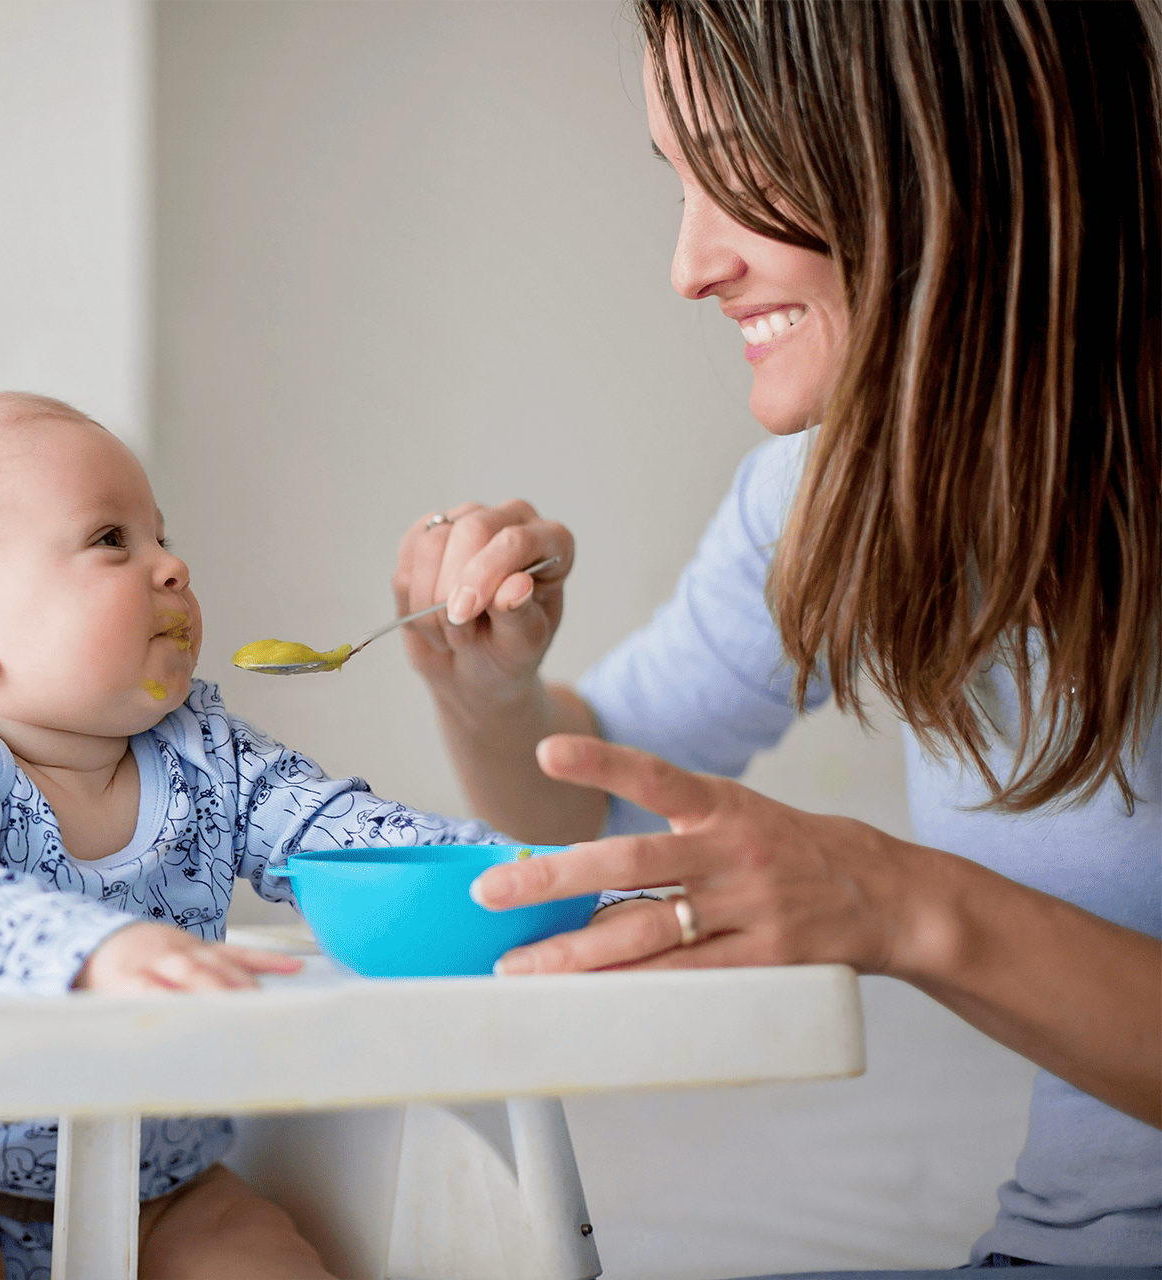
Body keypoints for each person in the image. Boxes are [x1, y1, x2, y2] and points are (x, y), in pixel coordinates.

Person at [394, 1, 1159, 1271]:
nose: (688, 265)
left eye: (738, 165)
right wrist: (490, 691)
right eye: (676, 179)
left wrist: (902, 904)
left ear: (948, 142)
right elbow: (595, 804)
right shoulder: (828, 492)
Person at [0, 392, 632, 1280]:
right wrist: (94, 953)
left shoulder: (202, 752)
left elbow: (349, 834)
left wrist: (566, 886)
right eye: (112, 539)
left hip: (165, 1183)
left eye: (162, 535)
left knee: (260, 1260)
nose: (172, 566)